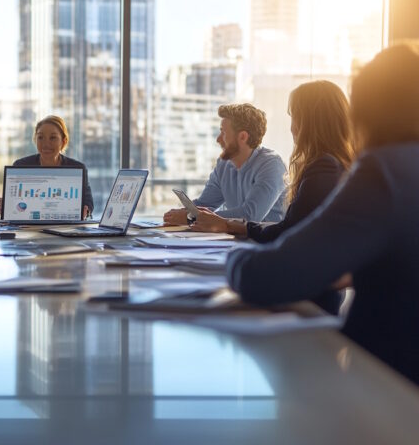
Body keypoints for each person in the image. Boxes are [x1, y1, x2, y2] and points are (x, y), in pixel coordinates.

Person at [226, 42, 419, 385]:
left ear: (366, 115)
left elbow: (271, 275)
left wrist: (229, 258)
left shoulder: (385, 172)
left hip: (383, 399)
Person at [190, 81, 354, 314]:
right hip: (311, 285)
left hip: (313, 294)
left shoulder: (323, 168)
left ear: (310, 122)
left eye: (294, 118)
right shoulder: (333, 164)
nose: (292, 128)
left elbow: (289, 230)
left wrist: (230, 226)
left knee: (234, 269)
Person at [164, 103, 286, 224]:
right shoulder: (224, 165)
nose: (218, 139)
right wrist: (178, 214)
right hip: (235, 240)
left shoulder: (272, 166)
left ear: (243, 137)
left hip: (268, 241)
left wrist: (191, 218)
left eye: (223, 133)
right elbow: (205, 204)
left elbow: (250, 215)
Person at [0, 115, 94, 219]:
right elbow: (15, 204)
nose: (46, 144)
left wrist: (85, 211)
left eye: (53, 138)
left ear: (64, 141)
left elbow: (88, 203)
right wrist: (6, 206)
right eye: (40, 137)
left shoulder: (77, 168)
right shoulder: (21, 166)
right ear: (35, 140)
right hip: (29, 230)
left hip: (64, 228)